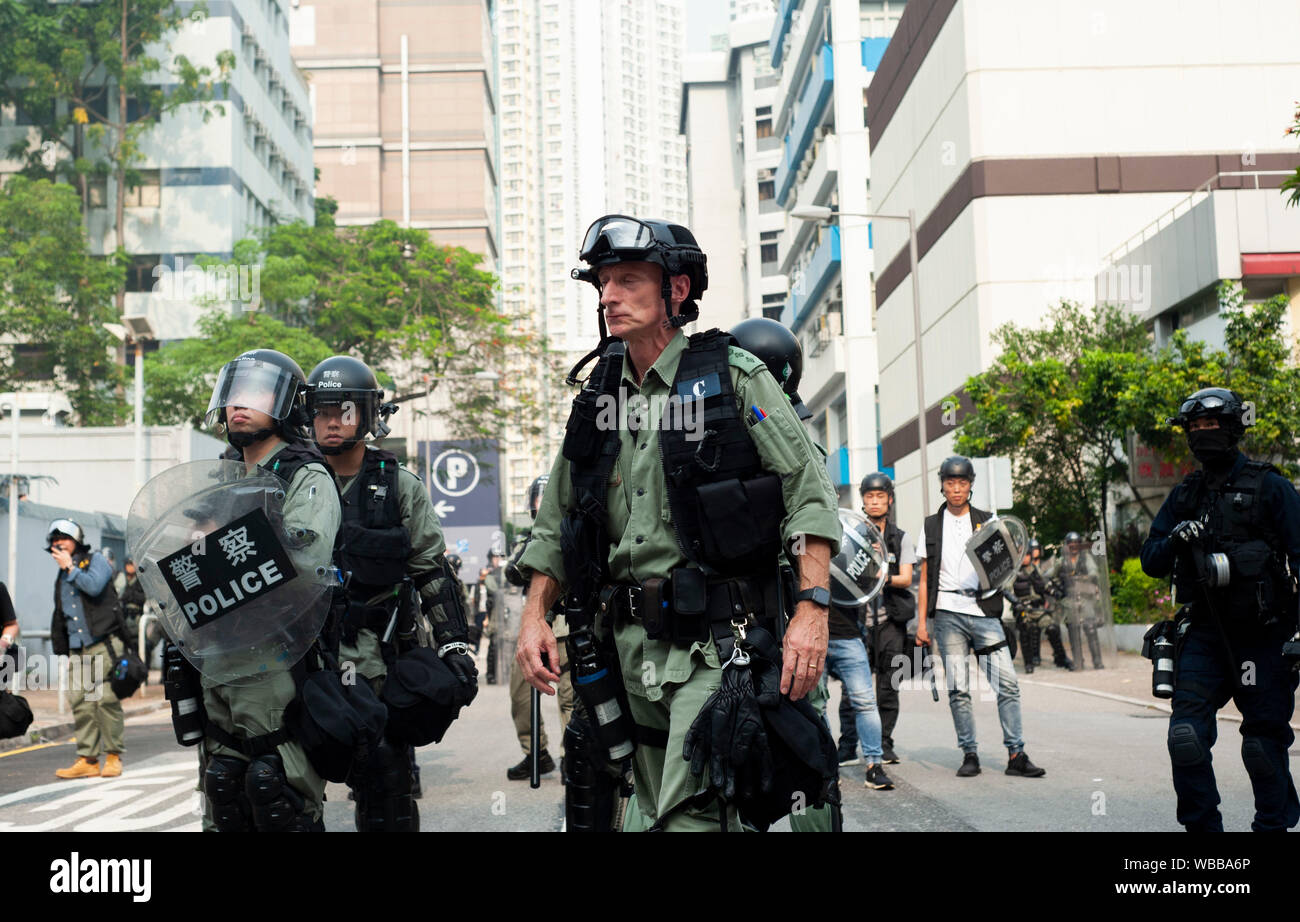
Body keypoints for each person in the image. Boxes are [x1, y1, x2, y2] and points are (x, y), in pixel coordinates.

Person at [515, 214, 841, 831]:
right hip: (626, 654)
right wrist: (535, 616)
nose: (609, 295)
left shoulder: (733, 378)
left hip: (717, 649)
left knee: (689, 819)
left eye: (629, 280)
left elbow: (809, 496)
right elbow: (556, 522)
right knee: (641, 816)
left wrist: (812, 610)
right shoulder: (599, 400)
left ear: (677, 291)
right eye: (603, 281)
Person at [307, 354, 476, 830]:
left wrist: (454, 644)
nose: (331, 422)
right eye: (321, 411)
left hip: (377, 658)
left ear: (366, 414)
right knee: (285, 789)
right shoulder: (290, 485)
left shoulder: (399, 486)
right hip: (305, 660)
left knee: (385, 786)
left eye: (343, 410)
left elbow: (431, 571)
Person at [193, 349, 342, 831]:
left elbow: (304, 562)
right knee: (223, 793)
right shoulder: (221, 477)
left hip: (277, 656)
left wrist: (213, 554)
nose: (239, 405)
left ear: (285, 405)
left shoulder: (305, 474)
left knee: (277, 792)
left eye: (254, 395)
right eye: (233, 394)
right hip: (217, 654)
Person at [1140, 387, 1300, 832]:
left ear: (1232, 429)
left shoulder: (1271, 486)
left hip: (1263, 635)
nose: (1203, 434)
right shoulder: (1185, 494)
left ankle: (1273, 826)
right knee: (1185, 738)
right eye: (1195, 428)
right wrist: (1175, 538)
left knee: (1262, 747)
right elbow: (1151, 561)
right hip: (1205, 635)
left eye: (1211, 425)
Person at [916, 456, 1046, 779]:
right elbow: (924, 576)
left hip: (985, 612)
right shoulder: (931, 525)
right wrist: (922, 623)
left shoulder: (988, 521)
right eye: (950, 482)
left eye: (962, 482)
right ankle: (969, 753)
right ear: (942, 485)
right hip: (947, 614)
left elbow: (1006, 567)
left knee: (1008, 684)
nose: (956, 488)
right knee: (958, 688)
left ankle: (1016, 753)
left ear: (970, 484)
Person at [504, 475, 574, 781]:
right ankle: (536, 752)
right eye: (538, 497)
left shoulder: (572, 533)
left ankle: (572, 754)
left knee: (569, 698)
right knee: (520, 695)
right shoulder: (527, 540)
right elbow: (513, 572)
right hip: (534, 625)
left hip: (566, 625)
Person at [47, 519, 127, 779]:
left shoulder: (96, 561)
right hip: (79, 650)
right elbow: (64, 614)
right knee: (80, 701)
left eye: (64, 540)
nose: (58, 545)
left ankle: (113, 756)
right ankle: (88, 759)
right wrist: (67, 650)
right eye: (54, 542)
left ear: (77, 541)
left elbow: (93, 586)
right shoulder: (62, 575)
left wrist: (70, 567)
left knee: (104, 700)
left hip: (103, 644)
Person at [854, 472, 916, 765]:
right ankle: (847, 745)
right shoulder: (853, 534)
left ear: (889, 500)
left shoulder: (900, 537)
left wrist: (882, 576)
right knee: (855, 687)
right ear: (863, 500)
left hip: (890, 620)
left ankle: (885, 742)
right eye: (870, 496)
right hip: (858, 622)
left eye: (880, 496)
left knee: (888, 685)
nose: (875, 501)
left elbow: (905, 577)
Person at [1005, 544, 1072, 673]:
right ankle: (1028, 662)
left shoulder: (1035, 570)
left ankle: (1061, 658)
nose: (1025, 558)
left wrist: (1056, 593)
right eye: (1023, 555)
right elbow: (1007, 590)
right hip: (1023, 609)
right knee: (1026, 630)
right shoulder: (1013, 572)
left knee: (1052, 628)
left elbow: (1045, 585)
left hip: (1038, 608)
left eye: (1027, 555)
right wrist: (1016, 602)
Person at [1053, 531, 1105, 670]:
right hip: (1069, 600)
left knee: (1090, 628)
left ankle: (1097, 661)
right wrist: (1057, 587)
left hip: (1085, 597)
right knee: (1073, 629)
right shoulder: (1062, 561)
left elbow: (1094, 572)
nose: (1074, 546)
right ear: (1067, 545)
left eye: (1076, 543)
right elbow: (1049, 575)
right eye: (1071, 543)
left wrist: (1084, 578)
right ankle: (1078, 662)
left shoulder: (1086, 557)